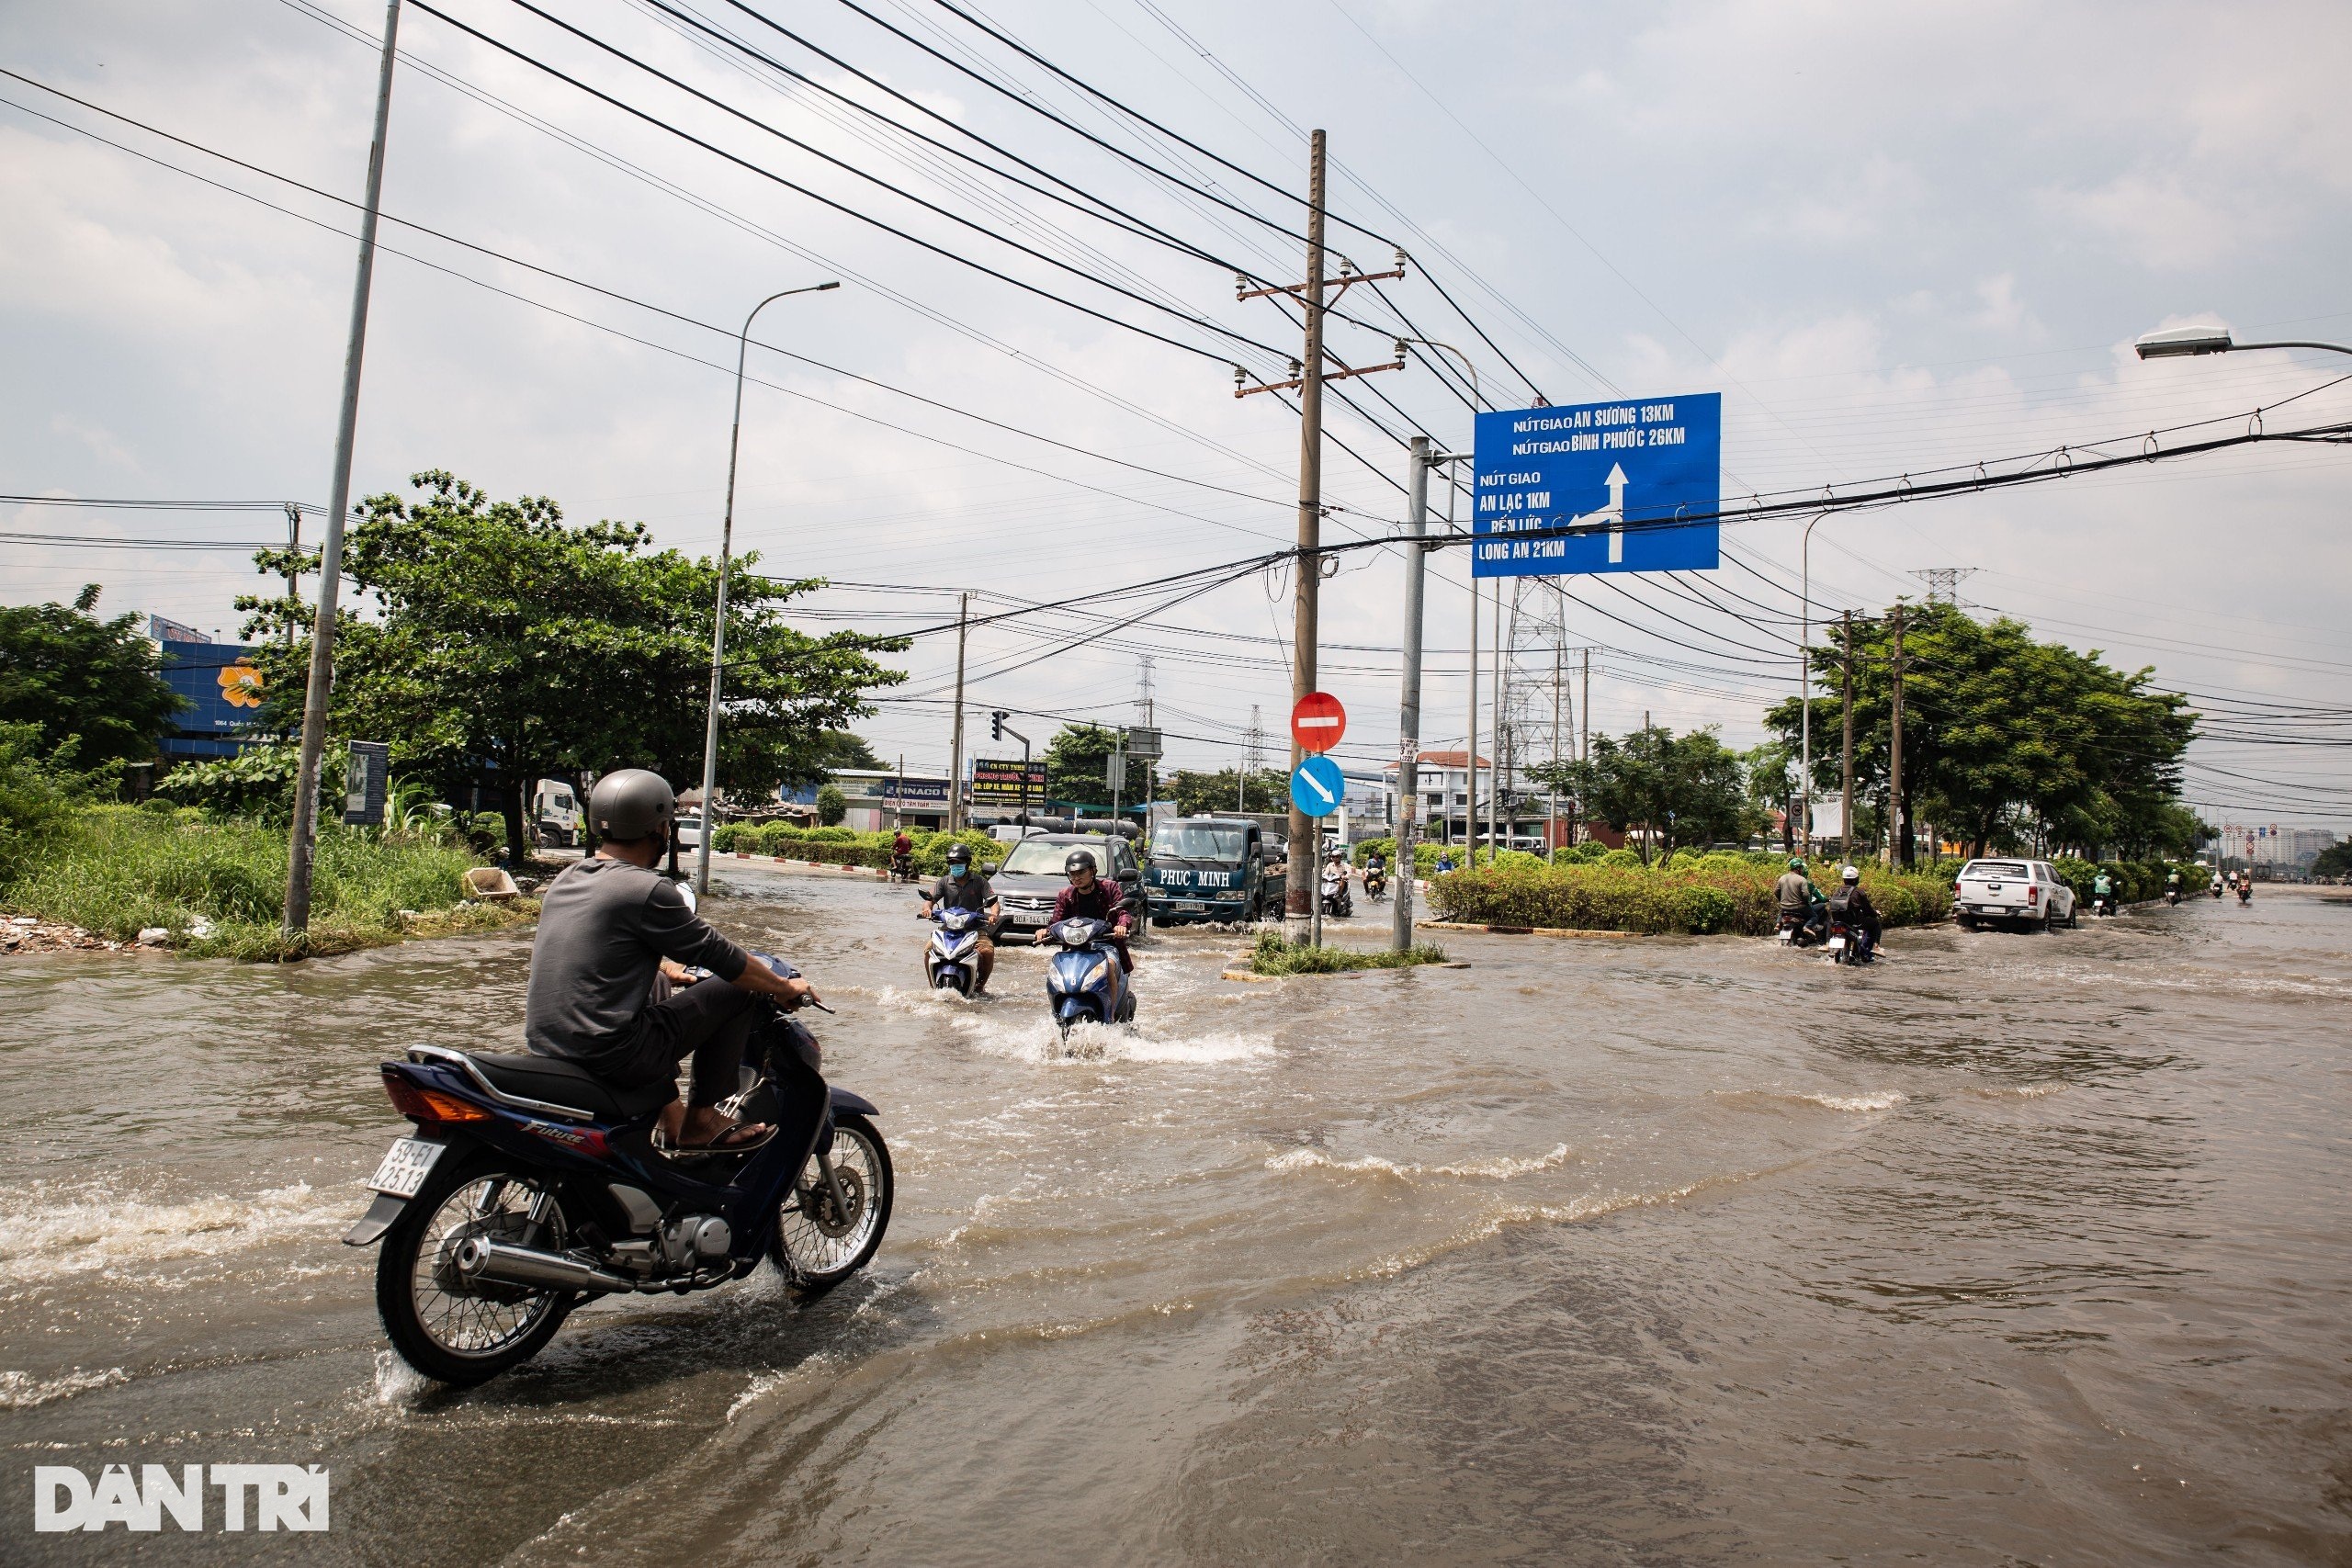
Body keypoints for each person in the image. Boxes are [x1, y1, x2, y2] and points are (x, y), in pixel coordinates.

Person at [524, 769, 816, 1151]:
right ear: (662, 829)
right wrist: (782, 986)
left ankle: (671, 1114)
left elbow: (601, 948)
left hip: (547, 1043)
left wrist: (666, 967)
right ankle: (701, 1120)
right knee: (740, 991)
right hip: (613, 1054)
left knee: (657, 985)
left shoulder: (567, 879)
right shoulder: (648, 889)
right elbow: (724, 958)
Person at [920, 841, 1001, 992]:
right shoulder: (944, 882)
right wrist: (927, 909)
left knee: (988, 952)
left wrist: (994, 915)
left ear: (967, 863)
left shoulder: (979, 881)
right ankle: (932, 986)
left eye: (958, 862)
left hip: (976, 929)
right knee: (928, 949)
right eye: (952, 862)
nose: (955, 865)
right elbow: (929, 900)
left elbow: (993, 902)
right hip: (947, 928)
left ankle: (980, 987)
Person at [1035, 848, 1134, 971]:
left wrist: (1122, 926)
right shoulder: (1065, 895)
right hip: (1076, 947)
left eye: (1081, 872)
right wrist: (1045, 932)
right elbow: (1055, 923)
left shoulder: (1110, 888)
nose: (1076, 878)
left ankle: (1112, 991)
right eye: (1072, 874)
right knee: (1056, 970)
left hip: (1106, 944)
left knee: (1109, 965)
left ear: (1093, 870)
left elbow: (1123, 912)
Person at [1827, 864, 1881, 958]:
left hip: (1837, 922)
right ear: (1856, 879)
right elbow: (1867, 910)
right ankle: (1869, 950)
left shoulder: (1837, 891)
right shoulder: (1859, 892)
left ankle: (1827, 942)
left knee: (1829, 921)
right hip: (1854, 922)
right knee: (1875, 923)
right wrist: (1875, 913)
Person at [1775, 856, 1826, 941]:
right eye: (1801, 868)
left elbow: (1776, 892)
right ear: (1797, 868)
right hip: (1799, 908)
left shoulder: (1782, 878)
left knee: (1782, 912)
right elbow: (1806, 895)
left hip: (1784, 908)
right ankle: (1807, 927)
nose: (1802, 870)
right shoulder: (1802, 880)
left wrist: (1782, 901)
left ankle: (1778, 924)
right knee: (1814, 916)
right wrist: (1806, 904)